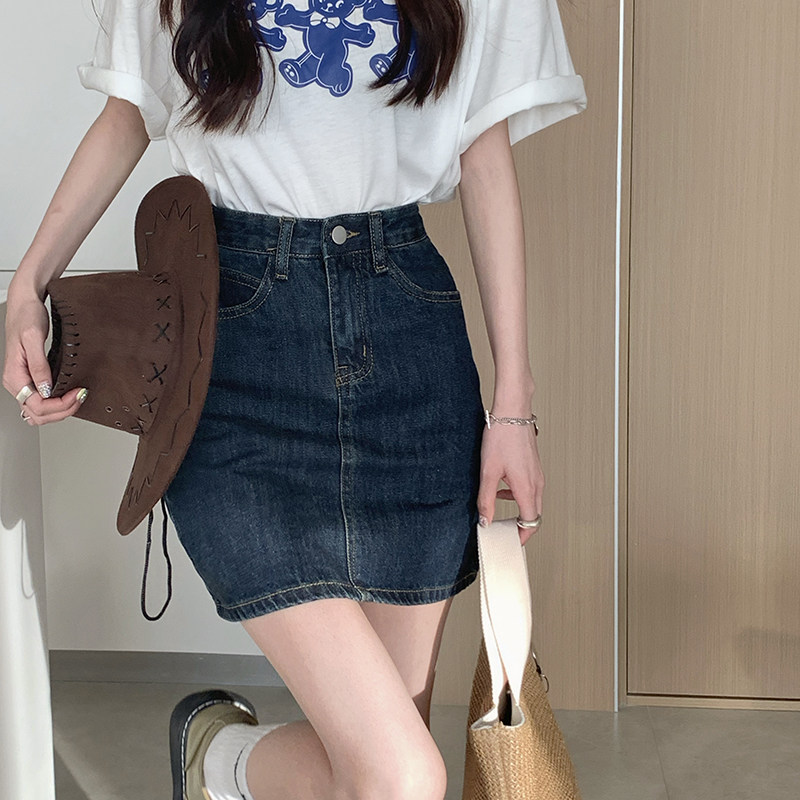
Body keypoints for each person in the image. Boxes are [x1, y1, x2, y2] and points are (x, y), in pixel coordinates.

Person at [3, 0, 586, 797]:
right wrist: (28, 286)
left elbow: (485, 154)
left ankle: (220, 761)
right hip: (230, 344)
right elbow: (128, 114)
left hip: (407, 341)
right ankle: (221, 759)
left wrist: (514, 403)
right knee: (401, 775)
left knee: (380, 766)